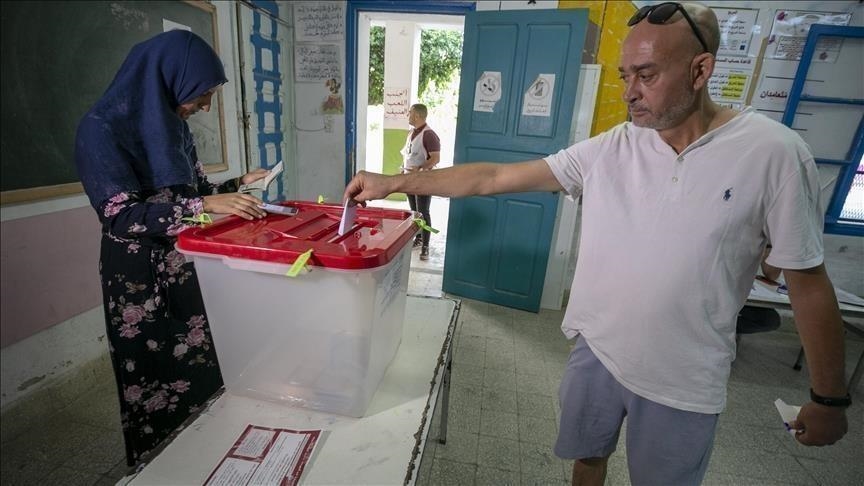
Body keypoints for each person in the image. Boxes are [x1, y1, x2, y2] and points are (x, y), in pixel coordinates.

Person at [344, 3, 849, 484]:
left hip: (684, 378)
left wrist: (828, 400)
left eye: (646, 75)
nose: (630, 91)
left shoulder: (773, 154)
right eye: (625, 75)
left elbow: (805, 282)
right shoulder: (614, 146)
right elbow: (494, 176)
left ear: (700, 70)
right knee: (586, 461)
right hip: (598, 352)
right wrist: (394, 183)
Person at [75, 30, 270, 467]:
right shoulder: (100, 129)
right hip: (138, 278)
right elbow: (121, 215)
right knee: (151, 370)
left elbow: (195, 192)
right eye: (201, 95)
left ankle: (209, 454)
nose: (204, 106)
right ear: (167, 78)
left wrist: (238, 185)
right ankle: (160, 466)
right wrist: (204, 204)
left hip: (187, 264)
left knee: (204, 358)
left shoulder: (175, 130)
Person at [401, 103, 441, 260]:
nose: (408, 115)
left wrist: (420, 168)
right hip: (409, 179)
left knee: (424, 213)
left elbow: (436, 158)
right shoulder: (411, 132)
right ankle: (418, 238)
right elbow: (408, 153)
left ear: (417, 115)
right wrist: (403, 170)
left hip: (423, 181)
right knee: (415, 212)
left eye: (410, 112)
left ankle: (426, 245)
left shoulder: (429, 135)